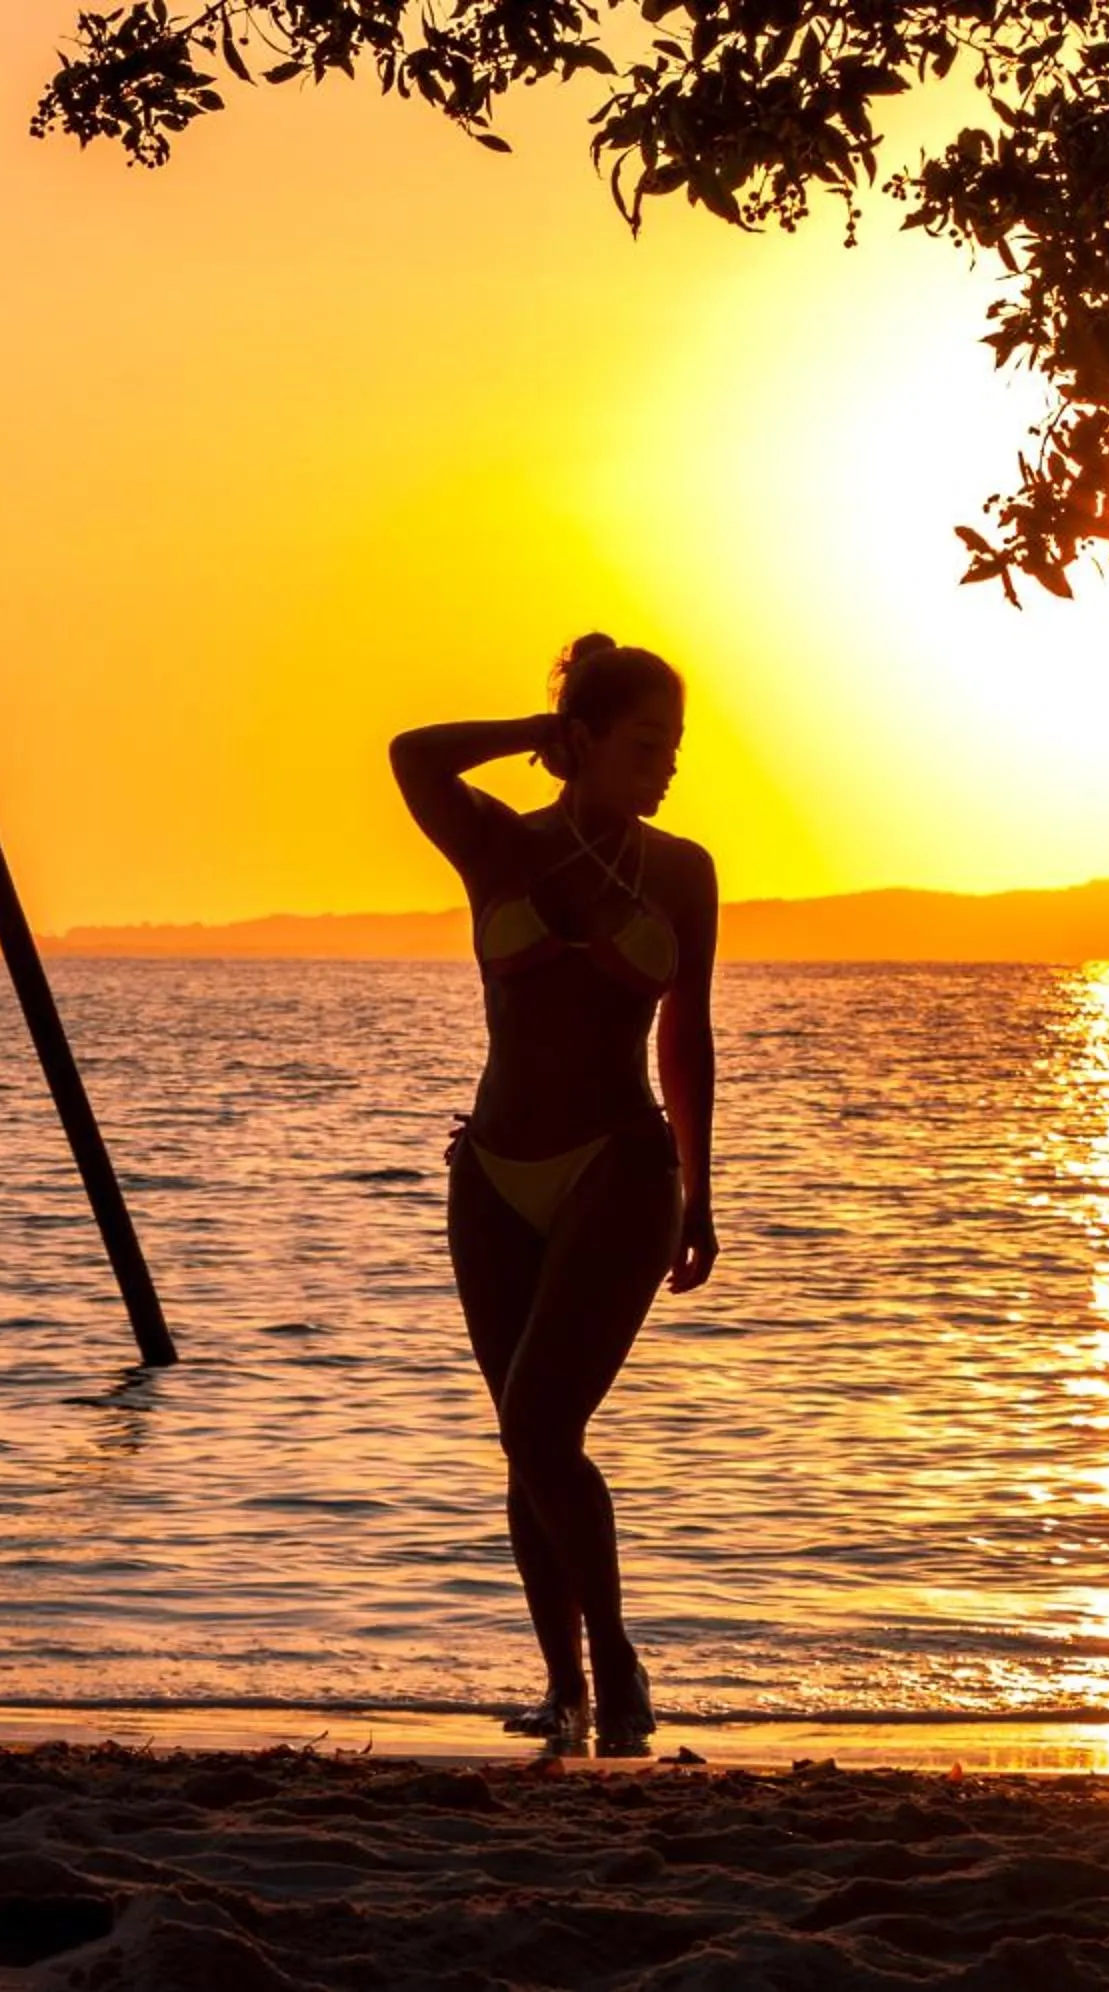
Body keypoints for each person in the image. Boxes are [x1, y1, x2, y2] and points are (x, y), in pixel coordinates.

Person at [389, 633, 720, 1757]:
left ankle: (617, 1665)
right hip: (492, 1173)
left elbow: (690, 1033)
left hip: (622, 1168)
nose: (666, 766)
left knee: (543, 1420)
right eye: (644, 744)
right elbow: (413, 754)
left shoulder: (683, 871)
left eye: (674, 748)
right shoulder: (495, 845)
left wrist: (703, 1190)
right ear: (583, 743)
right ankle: (562, 1690)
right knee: (522, 1439)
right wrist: (534, 735)